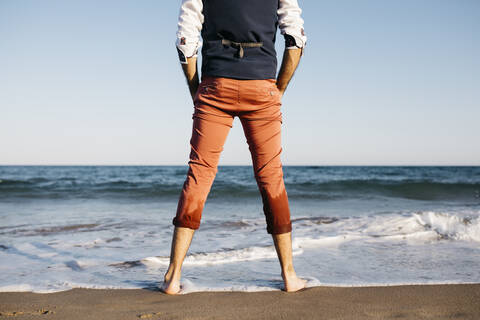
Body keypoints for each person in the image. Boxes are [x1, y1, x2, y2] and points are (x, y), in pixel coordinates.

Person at [162, 0, 307, 294]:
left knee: (200, 174)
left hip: (216, 85)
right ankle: (289, 275)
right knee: (271, 177)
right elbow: (296, 39)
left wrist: (196, 90)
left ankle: (173, 277)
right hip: (262, 86)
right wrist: (278, 90)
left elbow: (185, 41)